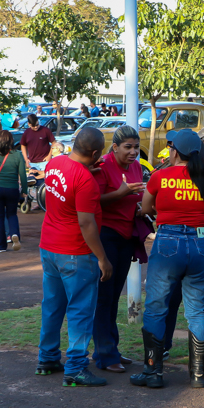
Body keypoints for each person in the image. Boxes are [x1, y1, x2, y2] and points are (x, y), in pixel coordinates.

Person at [131, 129, 204, 389]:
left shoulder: (160, 177)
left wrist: (165, 210)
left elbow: (145, 208)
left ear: (175, 151)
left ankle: (152, 371)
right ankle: (198, 375)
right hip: (201, 244)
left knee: (157, 307)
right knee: (198, 310)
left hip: (168, 242)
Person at [36, 126, 112, 387]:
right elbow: (86, 224)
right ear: (94, 153)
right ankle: (76, 368)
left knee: (53, 305)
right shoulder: (86, 181)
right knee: (80, 310)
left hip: (49, 247)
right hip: (75, 253)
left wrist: (84, 170)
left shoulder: (55, 163)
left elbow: (65, 189)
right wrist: (102, 258)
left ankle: (47, 358)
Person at [92, 125, 146, 373]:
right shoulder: (103, 166)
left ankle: (109, 348)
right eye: (128, 147)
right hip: (106, 236)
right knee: (104, 296)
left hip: (127, 235)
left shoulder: (136, 165)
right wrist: (121, 193)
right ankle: (105, 354)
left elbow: (134, 195)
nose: (133, 152)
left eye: (136, 146)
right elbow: (93, 200)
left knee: (114, 296)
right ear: (114, 148)